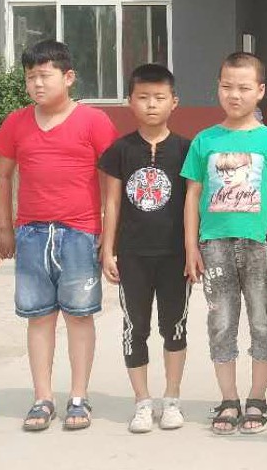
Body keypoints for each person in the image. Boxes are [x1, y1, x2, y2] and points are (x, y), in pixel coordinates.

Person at [0, 40, 118, 431]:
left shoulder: (94, 121)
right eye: (30, 77)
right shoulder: (16, 123)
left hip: (80, 233)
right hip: (31, 234)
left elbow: (112, 182)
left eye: (45, 76)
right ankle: (42, 398)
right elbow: (1, 177)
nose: (37, 84)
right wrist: (5, 229)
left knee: (79, 317)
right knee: (39, 318)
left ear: (68, 77)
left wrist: (109, 236)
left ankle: (79, 396)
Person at [180, 52, 267, 435]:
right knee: (221, 322)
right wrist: (191, 247)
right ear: (218, 88)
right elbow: (192, 195)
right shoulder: (204, 140)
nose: (234, 95)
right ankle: (228, 399)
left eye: (244, 87)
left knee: (262, 321)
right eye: (227, 86)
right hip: (214, 246)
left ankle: (257, 398)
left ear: (260, 91)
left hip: (261, 244)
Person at [98, 64, 192, 433]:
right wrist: (108, 248)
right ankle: (142, 401)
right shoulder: (120, 150)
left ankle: (171, 399)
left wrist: (193, 249)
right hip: (133, 255)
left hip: (174, 255)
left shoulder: (186, 149)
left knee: (175, 326)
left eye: (159, 98)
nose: (151, 105)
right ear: (130, 102)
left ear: (174, 102)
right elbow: (112, 203)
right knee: (134, 327)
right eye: (143, 97)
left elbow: (192, 203)